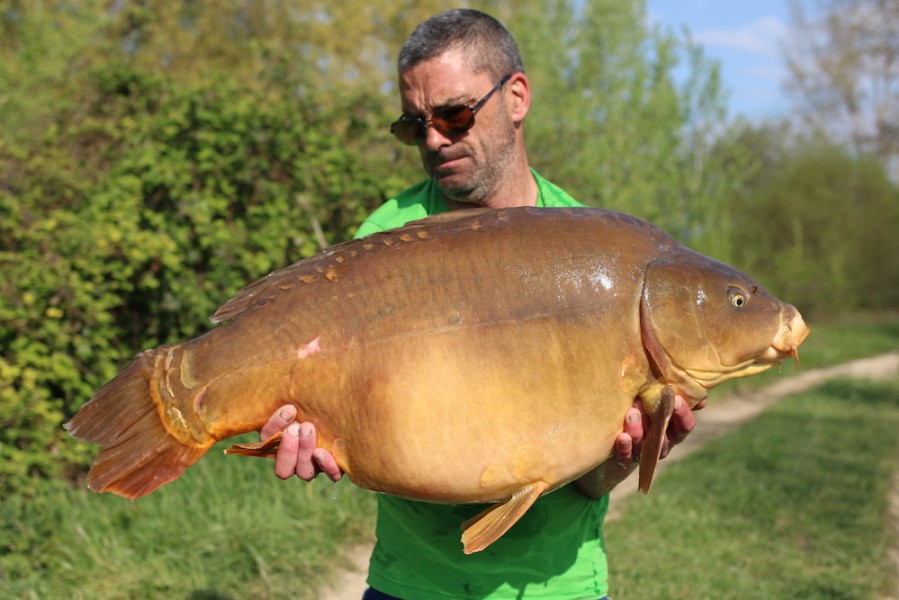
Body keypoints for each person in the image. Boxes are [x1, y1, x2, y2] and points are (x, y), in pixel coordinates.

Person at [260, 9, 703, 599]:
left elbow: (591, 482)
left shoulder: (592, 248)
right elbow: (367, 438)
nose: (435, 140)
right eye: (414, 126)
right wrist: (309, 434)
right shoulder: (385, 238)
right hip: (410, 584)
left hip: (555, 586)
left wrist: (632, 451)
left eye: (454, 115)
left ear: (516, 96)